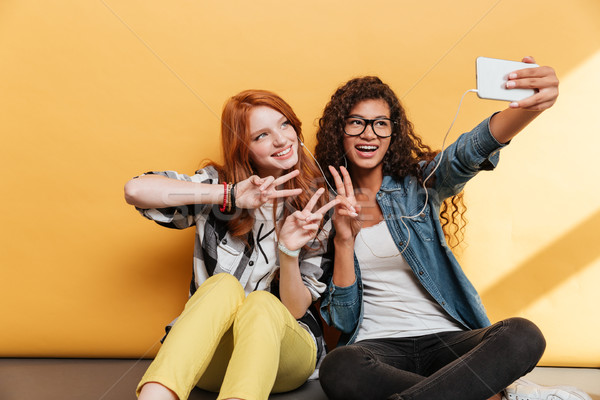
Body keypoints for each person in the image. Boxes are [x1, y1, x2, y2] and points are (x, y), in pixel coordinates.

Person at [314, 58, 590, 400]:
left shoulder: (420, 183)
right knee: (339, 366)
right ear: (339, 130)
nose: (369, 133)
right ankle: (496, 396)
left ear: (393, 132)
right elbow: (341, 321)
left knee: (523, 335)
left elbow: (466, 153)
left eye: (380, 124)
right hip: (378, 349)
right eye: (357, 122)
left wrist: (530, 108)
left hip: (450, 344)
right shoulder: (320, 207)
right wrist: (343, 239)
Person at [124, 89, 338, 400]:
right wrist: (228, 195)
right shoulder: (218, 187)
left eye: (284, 125)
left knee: (263, 304)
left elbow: (294, 309)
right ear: (244, 148)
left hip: (285, 355)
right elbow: (135, 190)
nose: (281, 140)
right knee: (223, 285)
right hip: (213, 357)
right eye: (262, 135)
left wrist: (289, 252)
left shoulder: (316, 203)